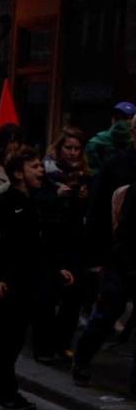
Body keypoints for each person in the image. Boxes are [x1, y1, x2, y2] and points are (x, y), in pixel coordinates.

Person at [0, 147, 73, 410]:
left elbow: (37, 245)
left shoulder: (33, 202)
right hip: (5, 285)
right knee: (5, 340)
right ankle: (6, 393)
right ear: (18, 173)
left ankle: (1, 388)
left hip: (26, 284)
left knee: (15, 339)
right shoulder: (2, 204)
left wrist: (57, 270)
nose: (41, 170)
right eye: (34, 166)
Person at [73, 110, 136, 394]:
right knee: (107, 312)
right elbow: (97, 212)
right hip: (118, 254)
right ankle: (83, 358)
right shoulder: (116, 166)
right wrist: (95, 258)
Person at [32, 128, 91, 360]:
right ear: (59, 148)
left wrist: (82, 197)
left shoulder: (85, 175)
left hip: (74, 241)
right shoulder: (45, 173)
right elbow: (37, 201)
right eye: (68, 148)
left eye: (77, 149)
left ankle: (63, 342)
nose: (73, 153)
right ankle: (43, 347)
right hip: (49, 239)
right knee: (46, 296)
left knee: (73, 296)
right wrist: (57, 194)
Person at [85, 101, 136, 173]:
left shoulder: (133, 144)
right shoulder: (96, 143)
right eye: (117, 117)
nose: (120, 122)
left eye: (125, 118)